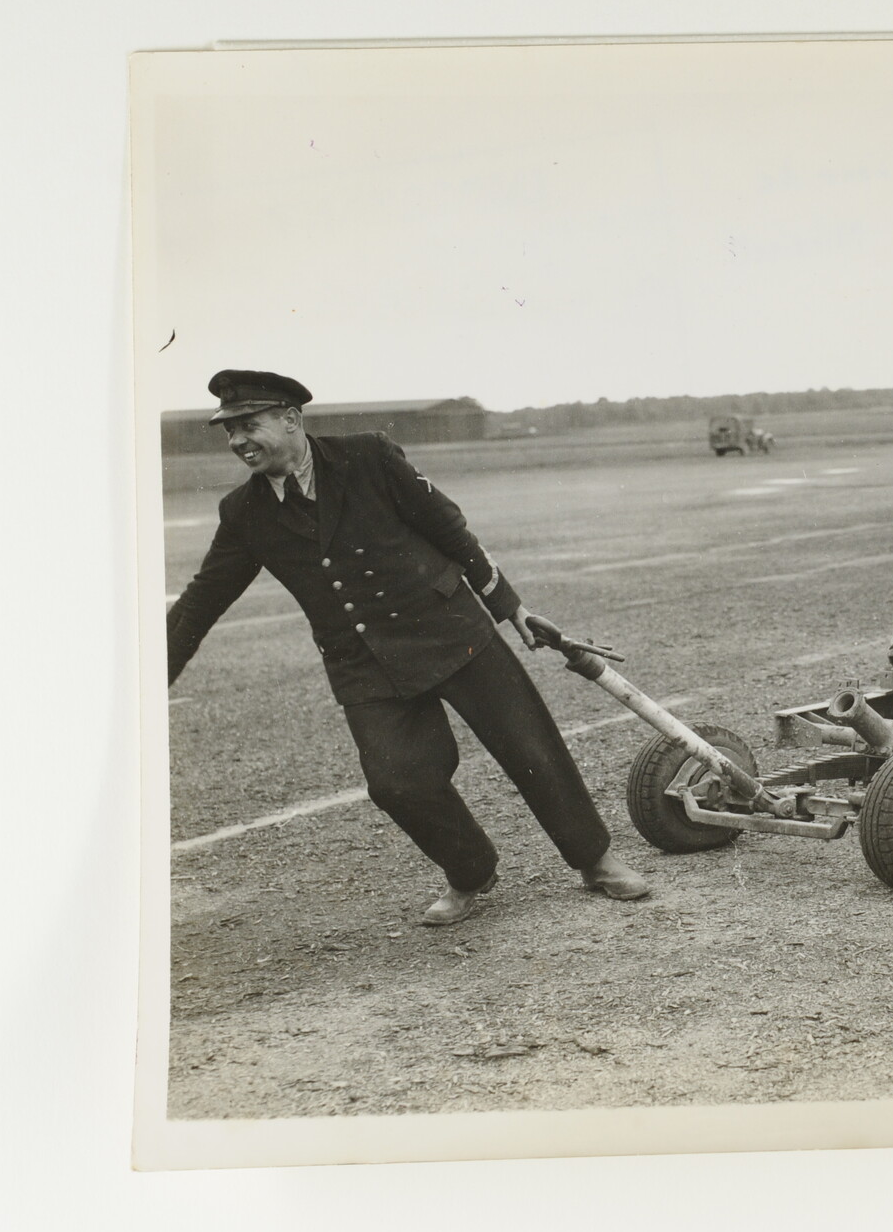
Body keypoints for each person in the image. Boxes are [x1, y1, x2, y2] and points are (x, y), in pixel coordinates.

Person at [167, 369, 649, 926]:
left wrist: (507, 604)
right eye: (229, 432)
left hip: (449, 629)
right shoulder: (243, 512)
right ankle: (471, 872)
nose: (238, 442)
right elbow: (203, 599)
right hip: (364, 662)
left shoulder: (367, 458)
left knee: (530, 749)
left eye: (249, 425)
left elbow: (449, 528)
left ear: (292, 420)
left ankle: (596, 860)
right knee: (396, 783)